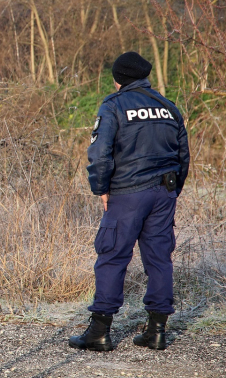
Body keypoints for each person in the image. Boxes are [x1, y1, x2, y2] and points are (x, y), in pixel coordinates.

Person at [69, 52, 190, 352]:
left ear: (118, 78)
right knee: (160, 259)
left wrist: (101, 189)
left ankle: (99, 332)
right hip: (164, 193)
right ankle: (157, 331)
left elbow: (99, 154)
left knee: (112, 256)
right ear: (145, 76)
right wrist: (172, 191)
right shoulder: (168, 107)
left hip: (127, 193)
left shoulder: (113, 106)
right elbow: (183, 156)